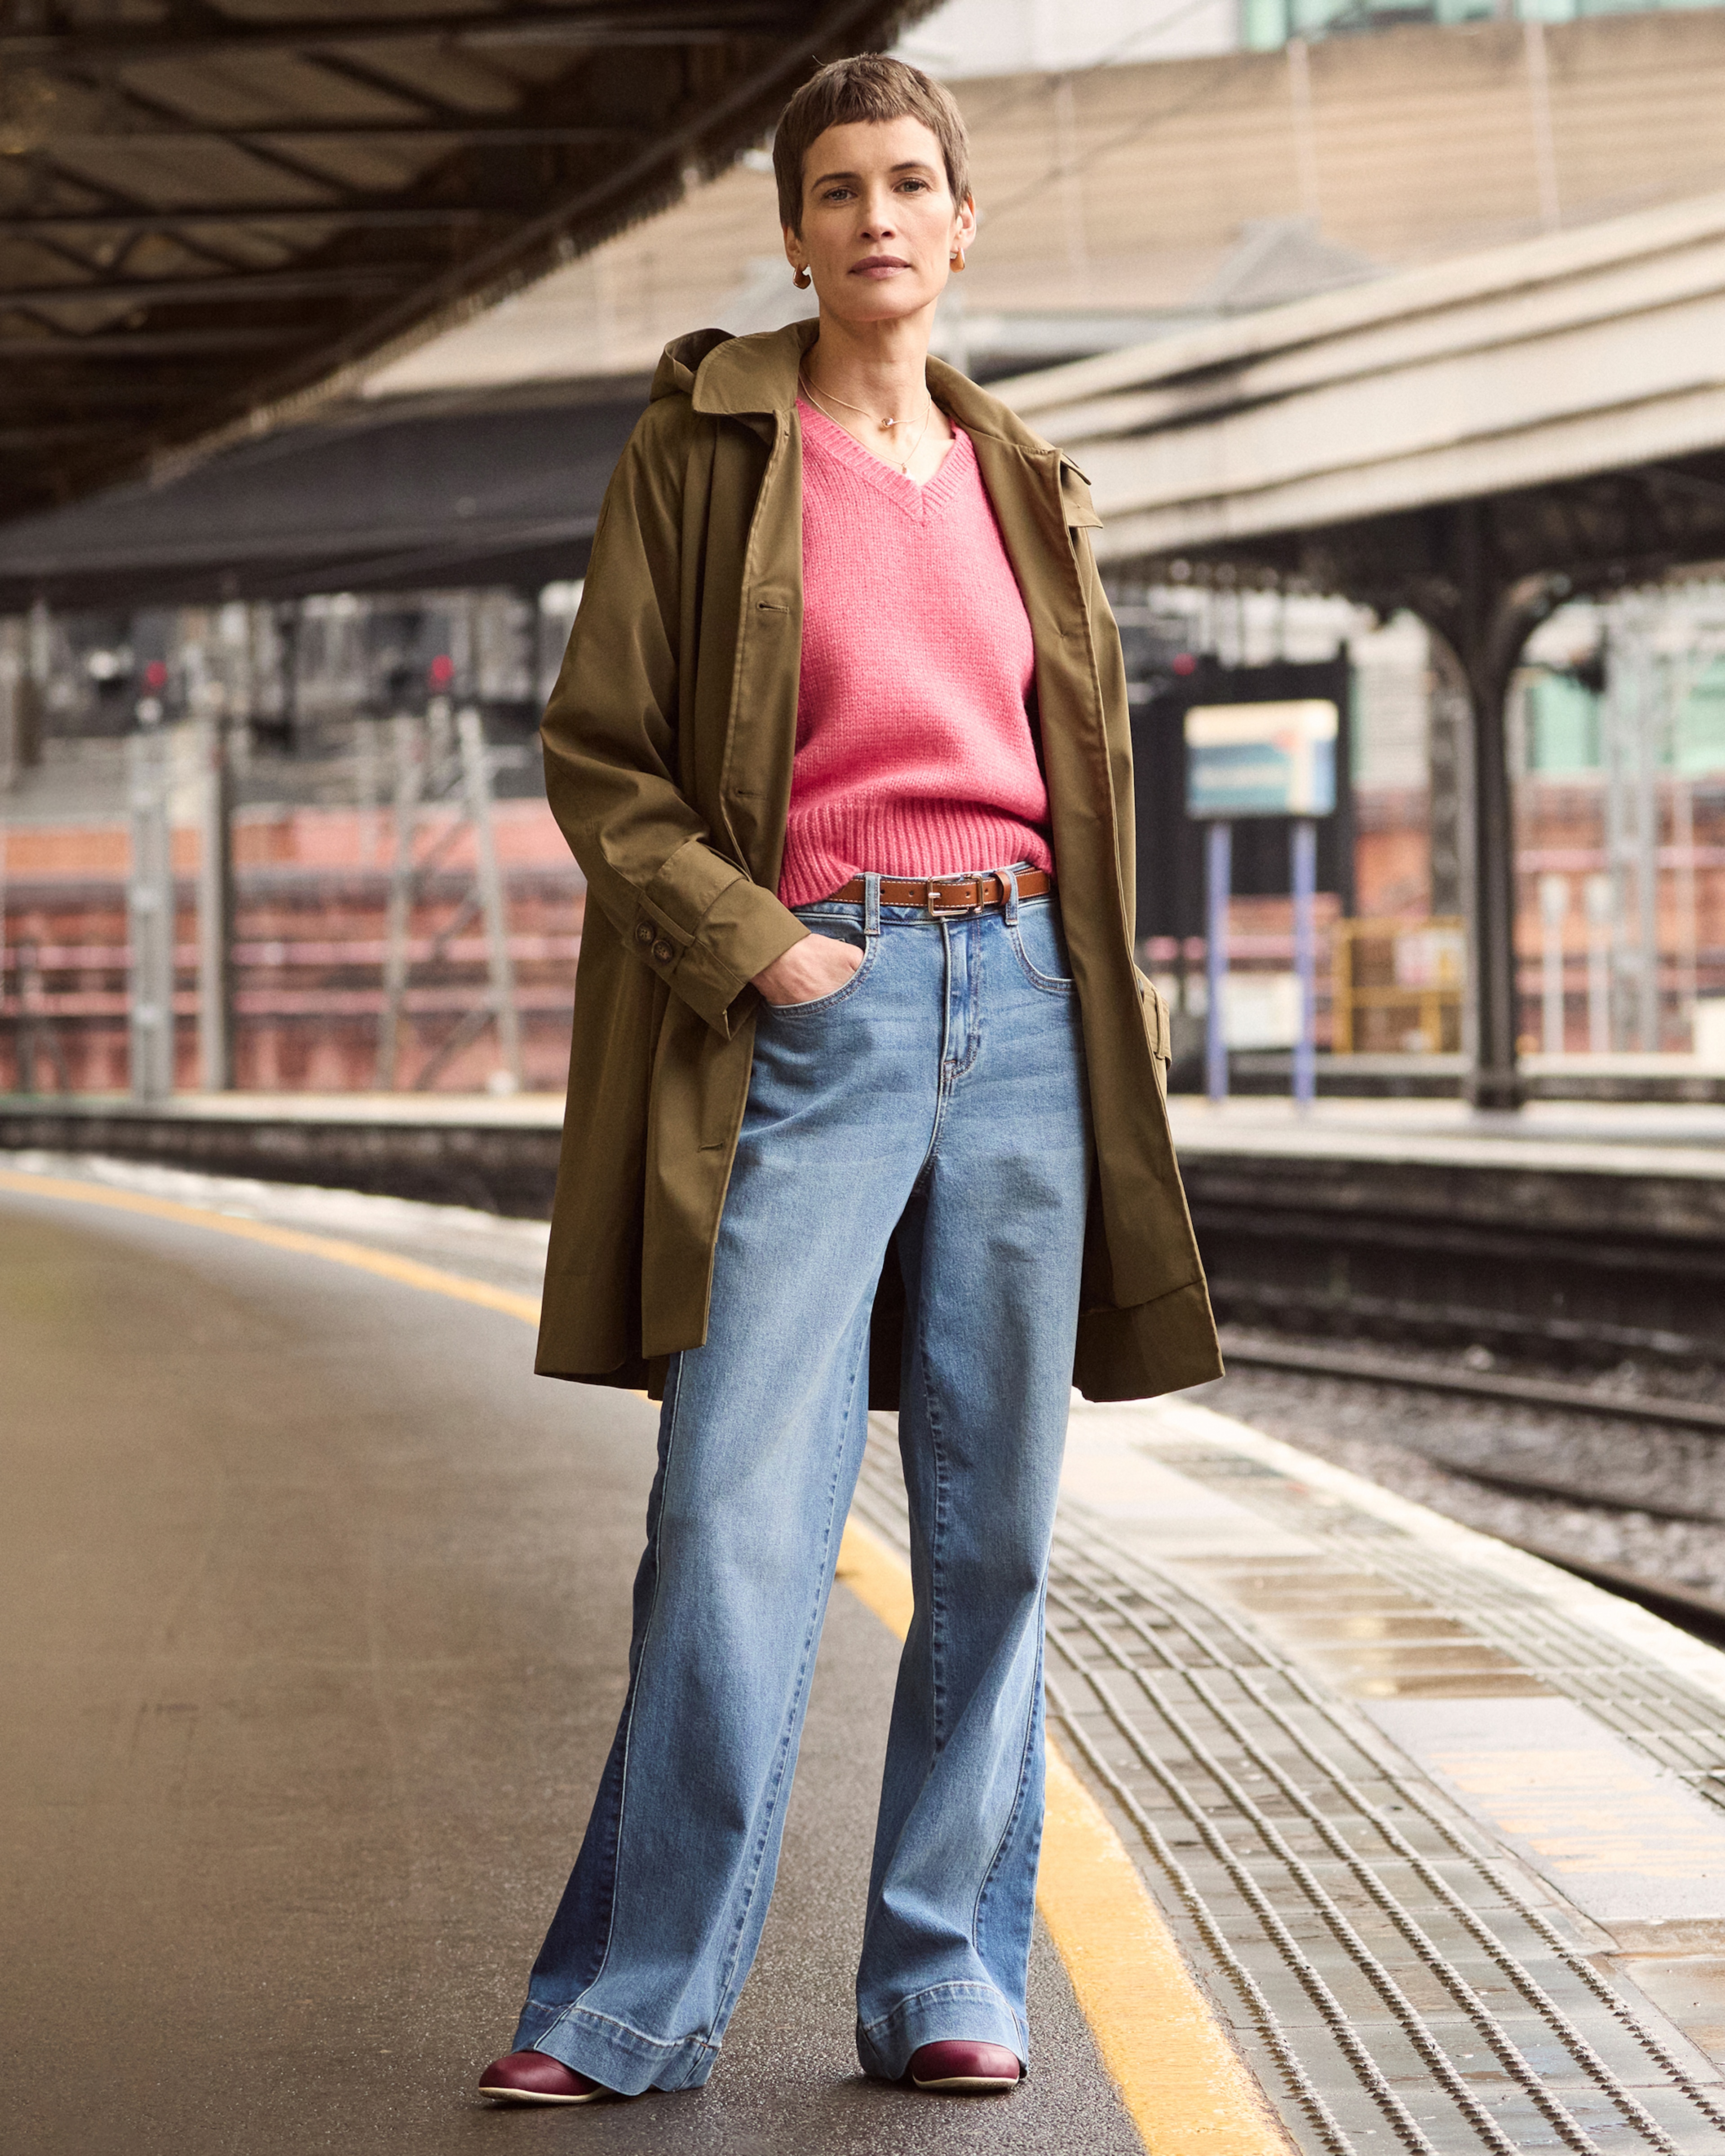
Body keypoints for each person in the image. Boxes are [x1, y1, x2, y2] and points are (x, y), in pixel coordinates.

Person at [478, 52, 1220, 2110]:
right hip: (817, 1007)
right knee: (729, 1509)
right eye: (836, 189)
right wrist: (769, 948)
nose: (877, 216)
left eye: (912, 183)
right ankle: (631, 1999)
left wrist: (1094, 1006)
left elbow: (1090, 784)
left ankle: (944, 1978)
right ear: (794, 235)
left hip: (1029, 1007)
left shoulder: (1032, 484)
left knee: (994, 1530)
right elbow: (603, 754)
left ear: (964, 226)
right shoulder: (709, 448)